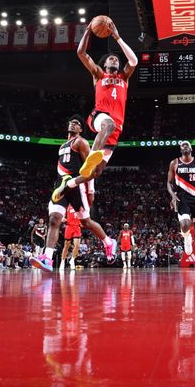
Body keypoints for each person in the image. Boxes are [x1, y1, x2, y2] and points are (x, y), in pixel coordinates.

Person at [52, 16, 138, 200]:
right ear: (105, 64)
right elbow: (81, 53)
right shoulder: (98, 74)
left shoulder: (124, 76)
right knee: (108, 125)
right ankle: (91, 156)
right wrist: (88, 31)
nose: (114, 60)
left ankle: (69, 184)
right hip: (99, 116)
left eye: (116, 59)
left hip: (115, 129)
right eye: (111, 59)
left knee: (96, 172)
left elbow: (134, 60)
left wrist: (117, 37)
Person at [32, 116, 117, 272]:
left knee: (86, 222)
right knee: (54, 219)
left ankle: (108, 242)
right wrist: (59, 186)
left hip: (77, 186)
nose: (73, 123)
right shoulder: (62, 146)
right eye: (71, 121)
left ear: (81, 130)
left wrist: (90, 191)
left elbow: (91, 169)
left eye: (77, 123)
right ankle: (47, 258)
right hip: (61, 185)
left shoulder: (81, 142)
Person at [167, 141, 195, 272]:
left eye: (187, 145)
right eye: (182, 145)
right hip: (183, 198)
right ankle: (186, 237)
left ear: (191, 148)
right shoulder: (174, 163)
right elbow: (169, 183)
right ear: (180, 150)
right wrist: (172, 195)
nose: (185, 146)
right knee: (186, 225)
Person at [60, 205, 82, 271]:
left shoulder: (80, 207)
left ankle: (72, 260)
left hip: (77, 227)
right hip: (69, 227)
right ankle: (62, 261)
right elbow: (63, 215)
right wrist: (63, 218)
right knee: (66, 245)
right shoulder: (67, 206)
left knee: (77, 245)